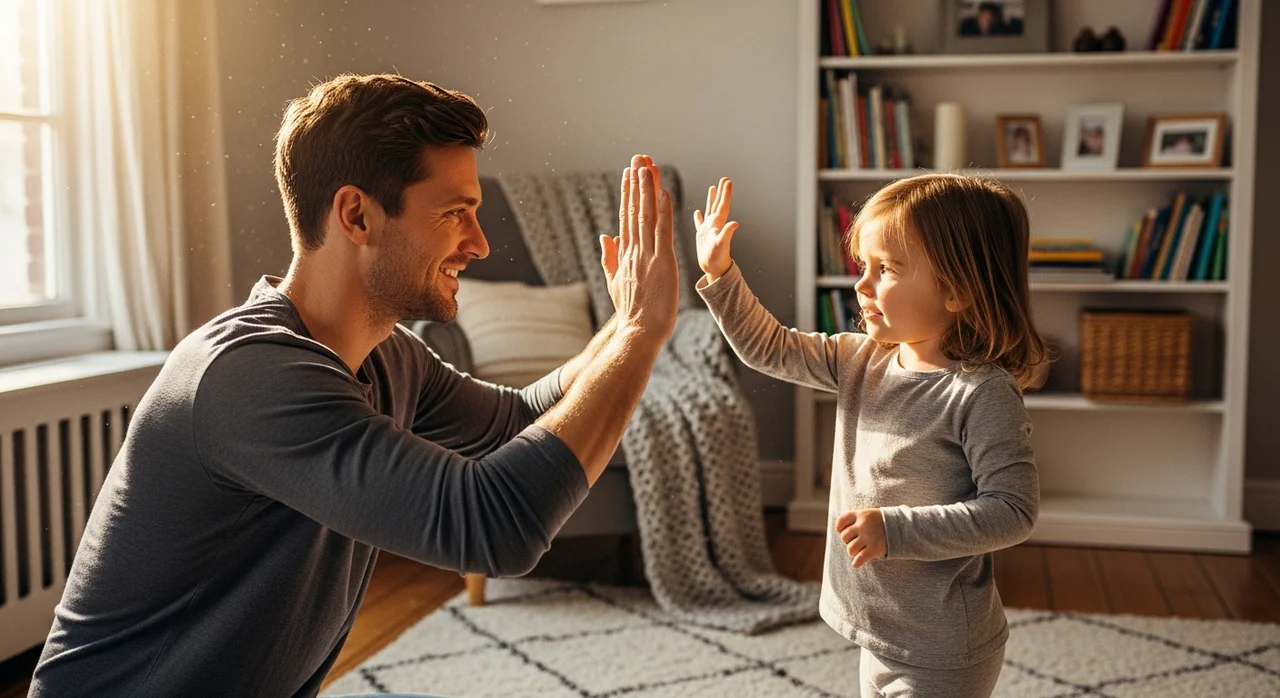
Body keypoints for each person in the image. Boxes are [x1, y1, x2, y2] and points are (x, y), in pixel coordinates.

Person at [29, 73, 681, 698]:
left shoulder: (388, 357)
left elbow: (516, 423)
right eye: (456, 212)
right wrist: (640, 340)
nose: (479, 244)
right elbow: (494, 525)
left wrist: (622, 326)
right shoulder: (249, 374)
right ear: (357, 216)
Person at [693, 173, 1046, 697]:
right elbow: (770, 347)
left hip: (943, 649)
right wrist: (720, 274)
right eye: (865, 266)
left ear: (957, 289)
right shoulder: (860, 359)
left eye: (885, 269)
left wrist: (895, 530)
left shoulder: (981, 392)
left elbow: (1013, 510)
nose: (861, 285)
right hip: (878, 631)